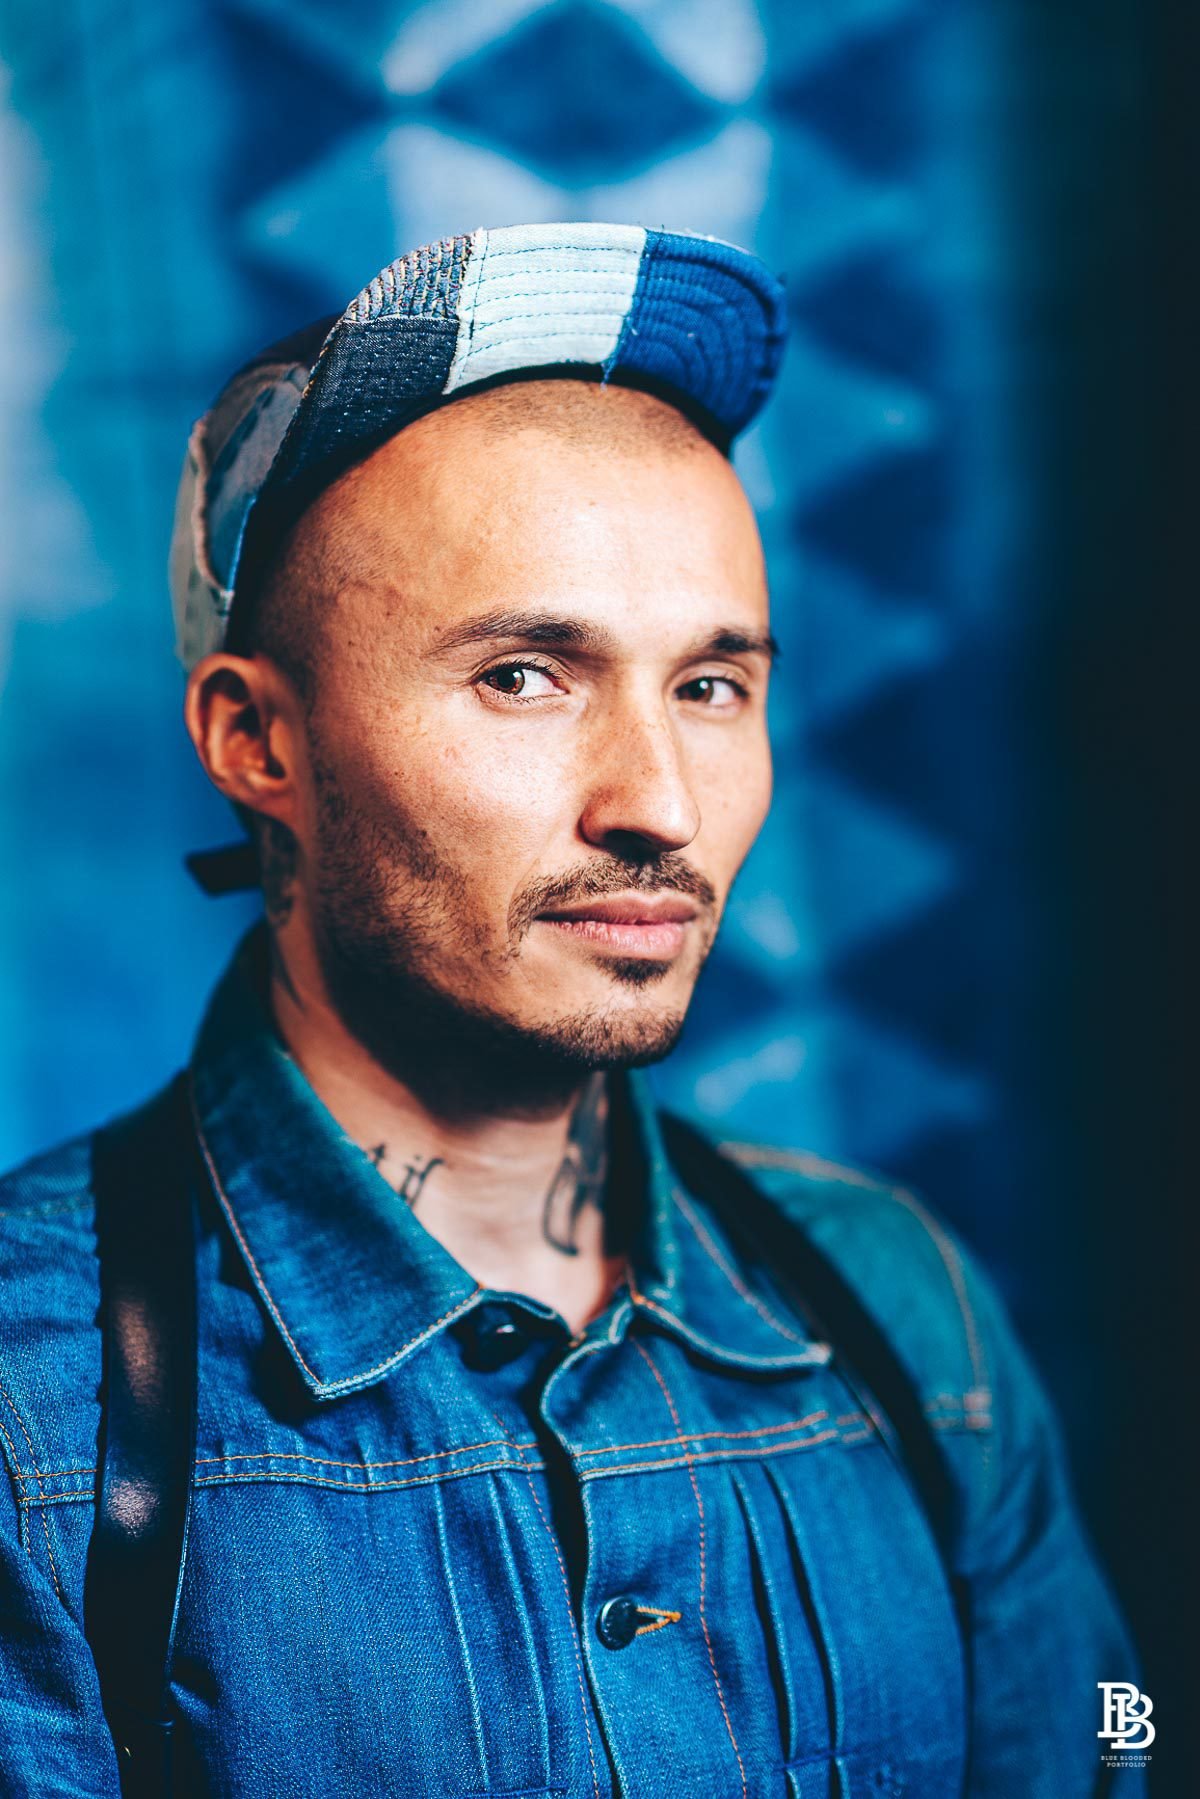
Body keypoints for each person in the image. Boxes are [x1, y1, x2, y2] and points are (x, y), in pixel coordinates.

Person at [0, 223, 1144, 1797]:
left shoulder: (903, 1313)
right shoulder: (36, 1410)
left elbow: (1112, 1742)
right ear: (260, 743)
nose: (659, 804)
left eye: (711, 686)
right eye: (526, 676)